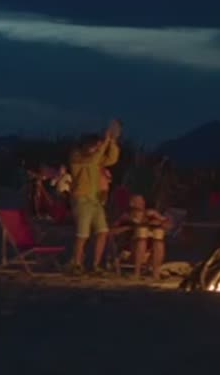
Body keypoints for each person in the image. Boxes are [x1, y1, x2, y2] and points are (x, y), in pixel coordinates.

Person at [68, 119, 122, 274]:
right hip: (81, 198)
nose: (97, 148)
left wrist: (111, 141)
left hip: (95, 200)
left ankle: (95, 265)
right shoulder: (77, 156)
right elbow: (93, 158)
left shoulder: (95, 159)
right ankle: (76, 263)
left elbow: (112, 158)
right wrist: (104, 143)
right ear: (86, 145)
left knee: (102, 232)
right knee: (82, 234)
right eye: (95, 145)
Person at [114, 194, 173, 280]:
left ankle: (155, 274)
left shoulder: (150, 214)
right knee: (141, 233)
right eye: (139, 201)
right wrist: (130, 227)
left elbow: (169, 225)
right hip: (130, 252)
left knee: (158, 235)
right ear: (131, 203)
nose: (142, 203)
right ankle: (136, 273)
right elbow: (112, 232)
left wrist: (160, 222)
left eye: (142, 201)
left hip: (148, 254)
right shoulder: (126, 216)